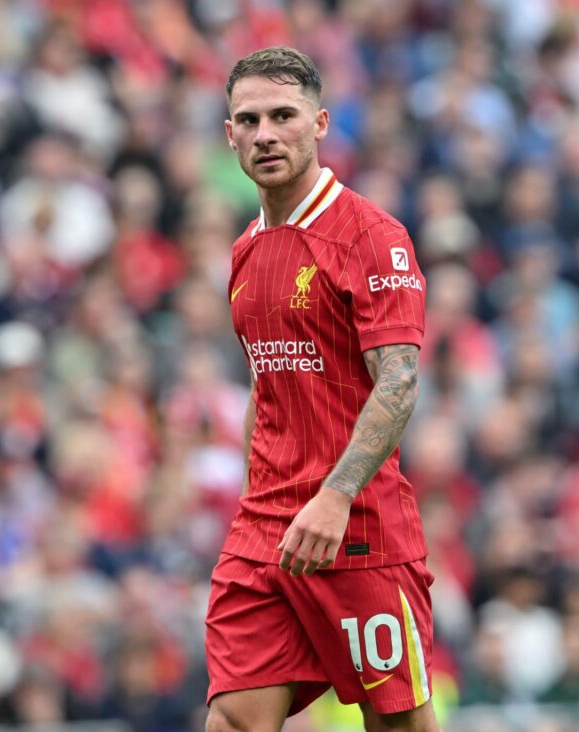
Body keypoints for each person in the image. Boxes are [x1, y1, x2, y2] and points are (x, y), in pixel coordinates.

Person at [204, 47, 439, 732]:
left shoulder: (371, 237)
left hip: (359, 530)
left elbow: (398, 380)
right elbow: (266, 384)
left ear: (320, 123)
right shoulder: (246, 247)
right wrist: (256, 492)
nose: (265, 133)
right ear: (230, 135)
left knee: (397, 726)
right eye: (248, 120)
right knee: (234, 722)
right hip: (265, 532)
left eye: (283, 116)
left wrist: (334, 496)